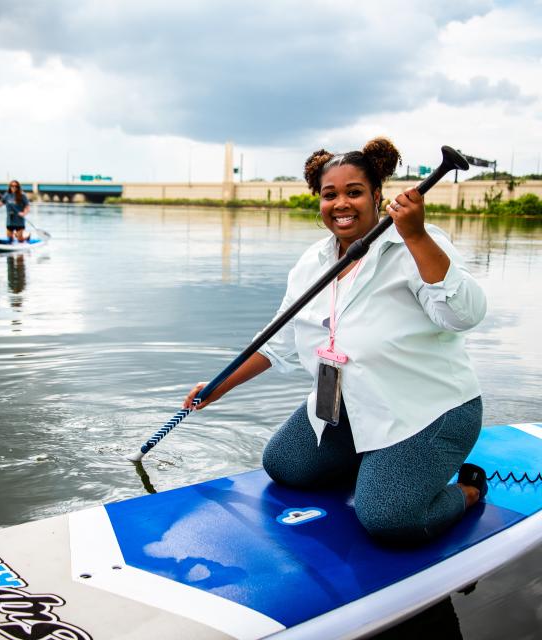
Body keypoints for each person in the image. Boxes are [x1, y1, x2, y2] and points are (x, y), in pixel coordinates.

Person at [183, 137, 488, 544]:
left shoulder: (417, 243)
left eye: (354, 192)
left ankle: (468, 491)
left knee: (389, 520)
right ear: (319, 200)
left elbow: (464, 315)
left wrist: (414, 236)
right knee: (285, 465)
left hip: (428, 410)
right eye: (330, 195)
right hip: (348, 406)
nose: (341, 203)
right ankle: (380, 466)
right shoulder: (313, 261)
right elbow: (278, 338)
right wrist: (220, 385)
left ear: (378, 195)